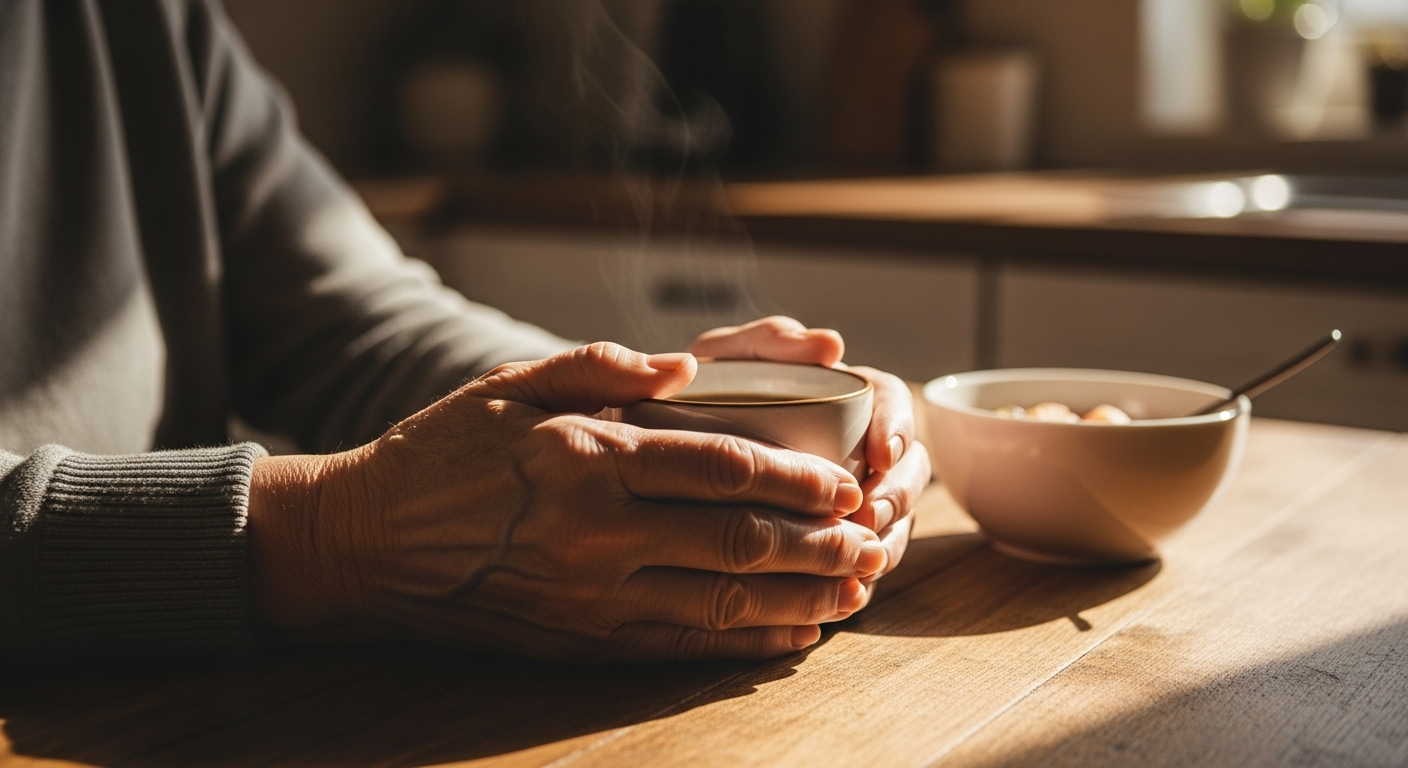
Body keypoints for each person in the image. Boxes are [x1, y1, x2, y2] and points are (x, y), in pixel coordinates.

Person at [0, 0, 930, 662]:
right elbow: (346, 515)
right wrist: (335, 532)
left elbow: (352, 319)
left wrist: (612, 420)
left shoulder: (138, 21)